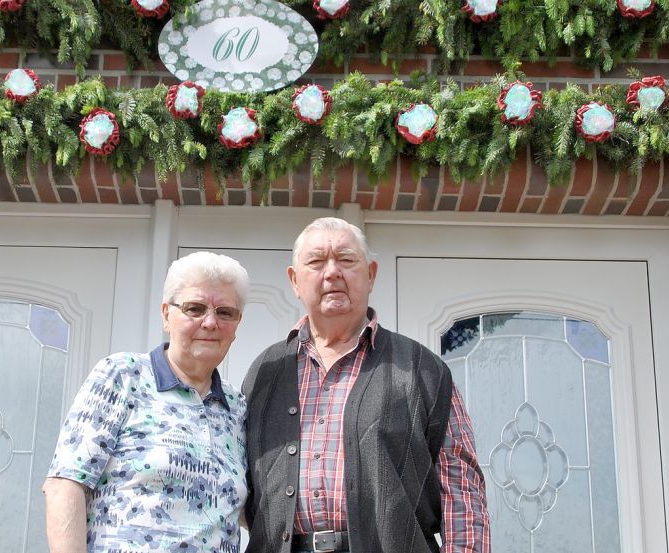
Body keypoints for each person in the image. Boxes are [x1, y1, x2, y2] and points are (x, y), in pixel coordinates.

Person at [243, 217, 490, 553]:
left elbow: (462, 494)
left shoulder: (423, 370)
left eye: (346, 260)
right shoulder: (264, 372)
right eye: (316, 261)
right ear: (294, 280)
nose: (332, 272)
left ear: (371, 274)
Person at [43, 251, 250, 553]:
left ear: (237, 323)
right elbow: (65, 484)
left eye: (225, 313)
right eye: (194, 308)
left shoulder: (237, 406)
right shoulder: (123, 375)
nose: (210, 322)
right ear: (166, 315)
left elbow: (251, 510)